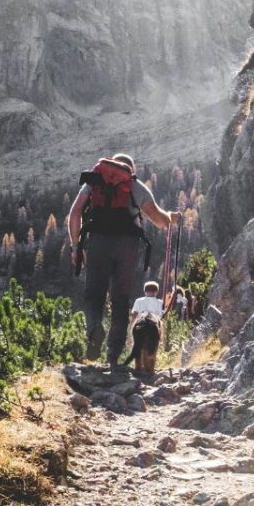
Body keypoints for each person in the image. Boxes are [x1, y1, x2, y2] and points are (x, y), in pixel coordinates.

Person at [68, 153, 179, 366]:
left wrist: (75, 246)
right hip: (126, 246)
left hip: (98, 241)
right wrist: (170, 217)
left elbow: (74, 213)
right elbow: (159, 220)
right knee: (120, 300)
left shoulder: (94, 180)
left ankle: (94, 330)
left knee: (94, 295)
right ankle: (112, 356)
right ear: (131, 170)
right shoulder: (135, 185)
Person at [126, 281, 164, 373]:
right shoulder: (160, 302)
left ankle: (138, 367)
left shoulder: (138, 301)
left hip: (140, 321)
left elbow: (134, 315)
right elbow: (161, 316)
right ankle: (150, 368)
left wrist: (130, 329)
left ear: (145, 291)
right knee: (154, 344)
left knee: (137, 345)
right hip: (154, 322)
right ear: (156, 291)